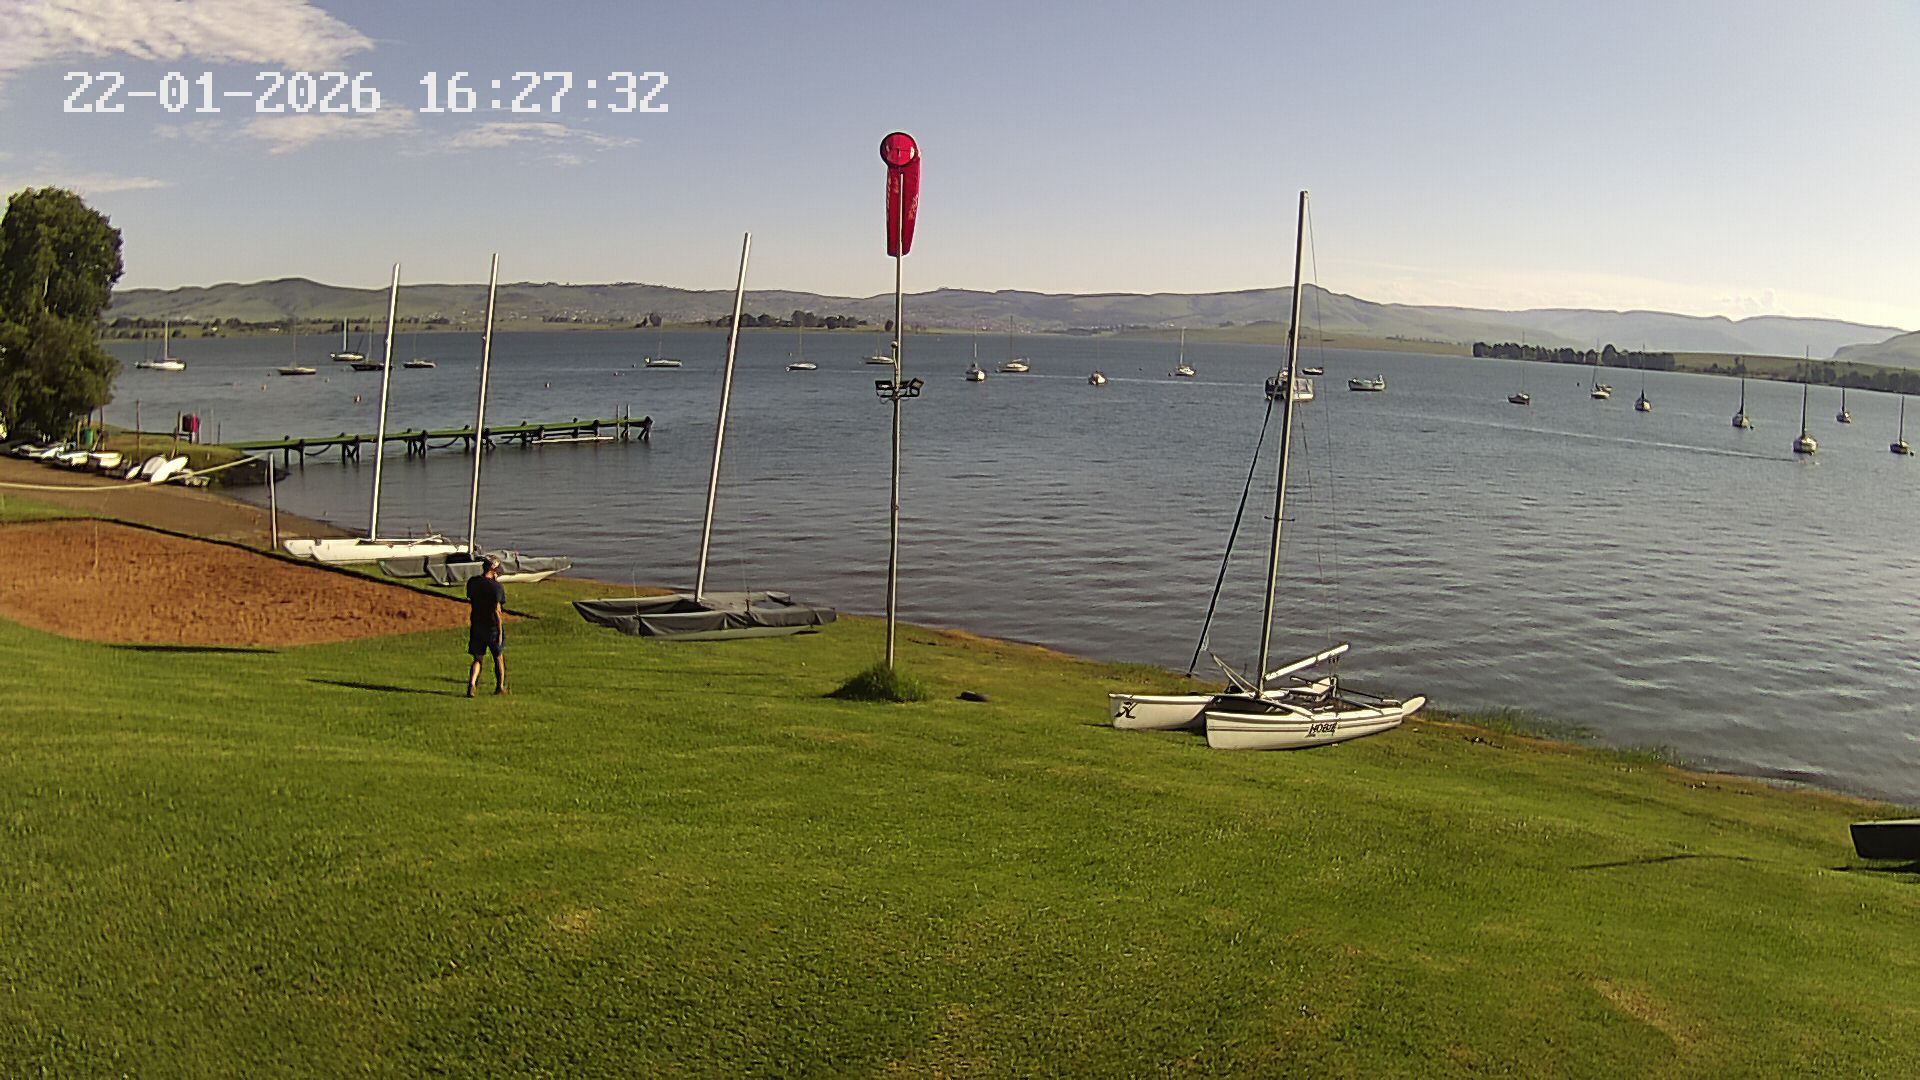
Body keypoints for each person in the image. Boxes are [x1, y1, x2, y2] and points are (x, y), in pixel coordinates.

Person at [465, 557, 507, 697]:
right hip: (492, 627)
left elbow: (471, 598)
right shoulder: (496, 587)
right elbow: (497, 610)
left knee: (477, 658)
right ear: (493, 570)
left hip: (477, 624)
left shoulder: (473, 583)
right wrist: (500, 631)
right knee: (498, 657)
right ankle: (500, 687)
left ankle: (472, 684)